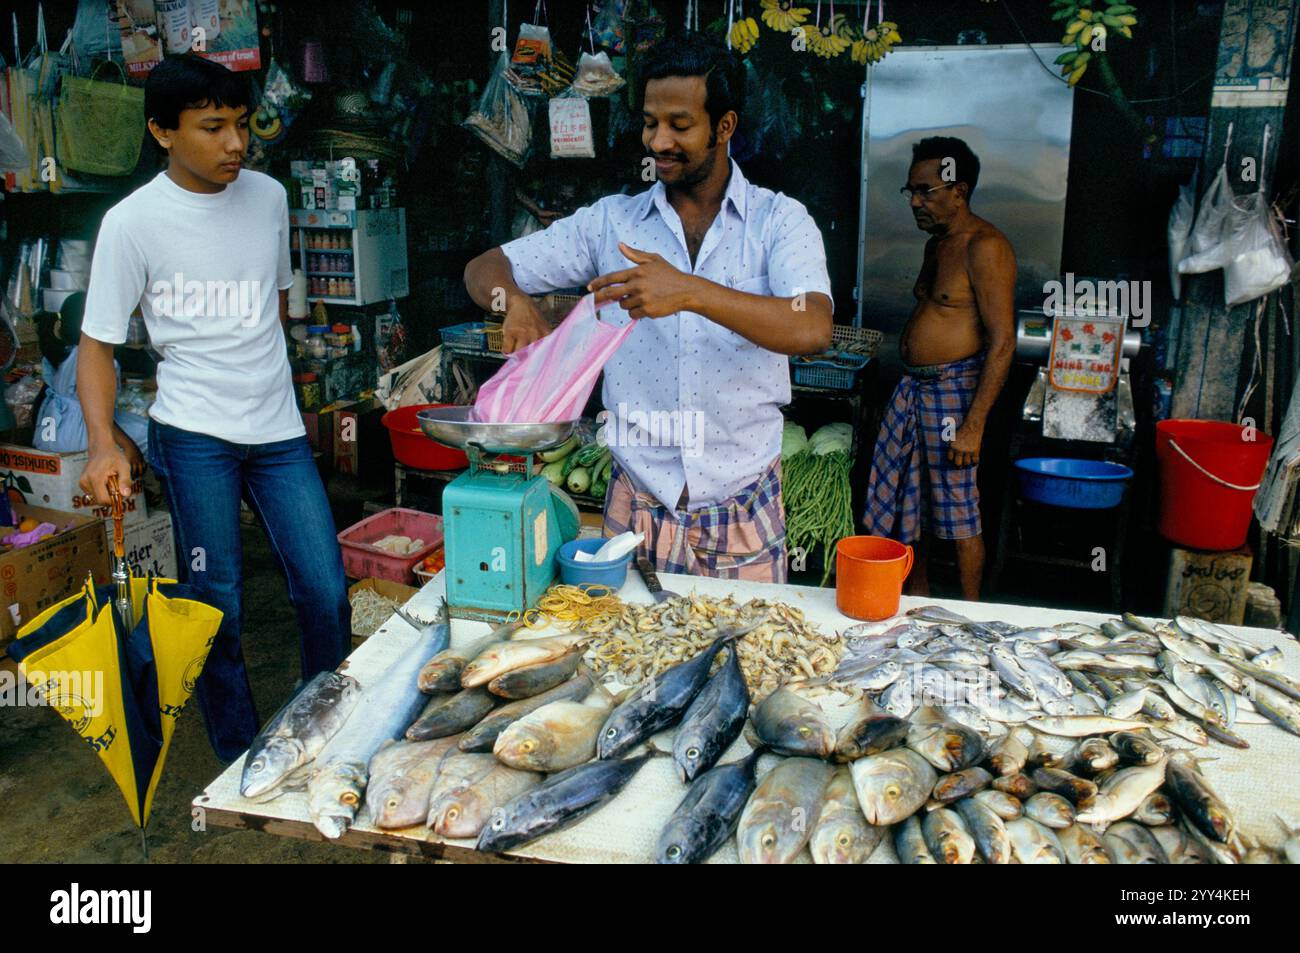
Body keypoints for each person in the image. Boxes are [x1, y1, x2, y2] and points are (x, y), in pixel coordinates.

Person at [464, 33, 833, 582]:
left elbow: (812, 326)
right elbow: (484, 268)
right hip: (634, 507)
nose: (658, 140)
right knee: (631, 663)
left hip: (742, 505)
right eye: (649, 122)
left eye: (679, 125)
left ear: (724, 126)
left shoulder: (779, 223)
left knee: (752, 662)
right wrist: (512, 301)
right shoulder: (610, 223)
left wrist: (689, 292)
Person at [76, 54, 351, 763]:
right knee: (215, 605)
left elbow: (278, 302)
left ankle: (324, 717)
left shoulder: (266, 197)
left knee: (324, 589)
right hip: (194, 434)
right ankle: (240, 753)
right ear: (162, 132)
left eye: (239, 125)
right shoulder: (130, 223)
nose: (236, 144)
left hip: (279, 430)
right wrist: (104, 441)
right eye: (212, 127)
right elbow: (97, 347)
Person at [862, 136, 1016, 601]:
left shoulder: (984, 246)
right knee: (913, 505)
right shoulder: (938, 245)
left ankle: (968, 618)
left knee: (958, 512)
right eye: (910, 191)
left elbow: (1003, 340)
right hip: (914, 389)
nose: (915, 201)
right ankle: (918, 602)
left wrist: (973, 425)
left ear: (960, 189)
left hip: (954, 394)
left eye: (926, 191)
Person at [33, 292, 150, 458]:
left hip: (50, 436)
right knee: (149, 435)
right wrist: (128, 445)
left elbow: (41, 400)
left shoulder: (60, 353)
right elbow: (97, 410)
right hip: (76, 434)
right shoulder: (92, 357)